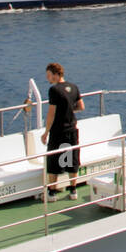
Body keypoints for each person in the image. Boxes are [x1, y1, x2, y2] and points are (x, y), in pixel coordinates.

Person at [41, 62, 84, 200]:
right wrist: (69, 110)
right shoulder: (74, 87)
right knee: (72, 159)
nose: (48, 79)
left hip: (58, 131)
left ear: (56, 74)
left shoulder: (54, 90)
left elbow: (51, 114)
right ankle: (73, 190)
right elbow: (81, 106)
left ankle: (52, 192)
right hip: (72, 129)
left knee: (54, 160)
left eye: (49, 75)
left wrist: (46, 132)